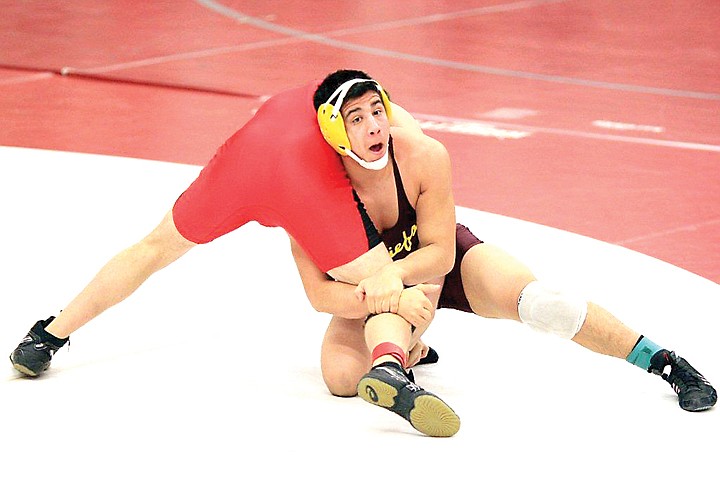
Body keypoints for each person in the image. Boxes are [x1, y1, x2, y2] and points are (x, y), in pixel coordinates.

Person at [288, 69, 717, 437]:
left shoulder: (422, 154)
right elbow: (319, 294)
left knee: (546, 305)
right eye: (357, 118)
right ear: (334, 131)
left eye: (377, 111)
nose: (374, 126)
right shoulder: (308, 194)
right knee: (343, 379)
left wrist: (393, 279)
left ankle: (665, 362)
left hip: (439, 261)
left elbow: (439, 254)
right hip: (376, 290)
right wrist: (392, 293)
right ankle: (407, 353)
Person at [9, 80, 405, 377]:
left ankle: (47, 337)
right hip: (306, 186)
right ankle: (402, 349)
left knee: (153, 249)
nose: (372, 126)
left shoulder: (318, 92)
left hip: (241, 164)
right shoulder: (386, 121)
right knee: (393, 285)